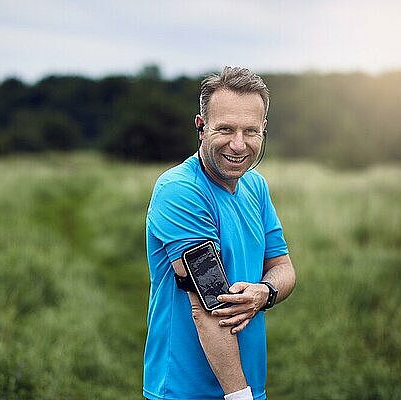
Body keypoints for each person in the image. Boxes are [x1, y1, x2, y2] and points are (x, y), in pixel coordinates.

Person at [143, 66, 296, 400]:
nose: (238, 145)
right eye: (225, 129)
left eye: (250, 131)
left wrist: (264, 293)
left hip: (248, 386)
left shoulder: (255, 186)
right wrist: (239, 396)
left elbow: (283, 268)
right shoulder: (179, 191)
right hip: (185, 390)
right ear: (201, 127)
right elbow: (207, 307)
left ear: (264, 130)